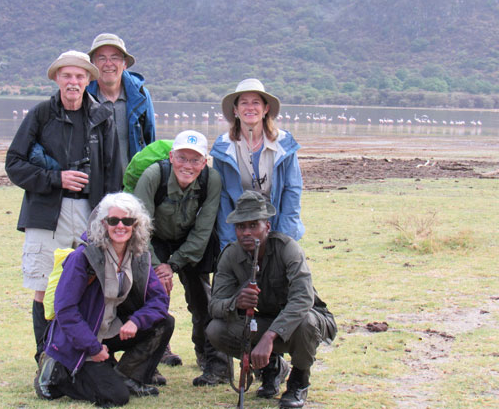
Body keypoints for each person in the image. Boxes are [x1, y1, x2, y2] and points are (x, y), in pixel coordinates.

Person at [5, 50, 123, 362]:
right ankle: (44, 356)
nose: (73, 82)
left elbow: (114, 174)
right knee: (44, 285)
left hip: (90, 213)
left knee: (88, 282)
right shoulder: (41, 114)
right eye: (67, 75)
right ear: (57, 78)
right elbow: (14, 163)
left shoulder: (102, 117)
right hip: (46, 214)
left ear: (88, 80)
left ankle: (81, 354)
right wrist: (56, 178)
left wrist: (110, 221)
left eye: (80, 76)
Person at [34, 192, 173, 407]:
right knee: (115, 397)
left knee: (164, 322)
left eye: (127, 221)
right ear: (103, 224)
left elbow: (160, 300)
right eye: (113, 220)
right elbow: (65, 310)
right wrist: (92, 348)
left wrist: (136, 321)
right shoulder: (82, 257)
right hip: (81, 337)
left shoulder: (137, 255)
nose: (120, 226)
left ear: (136, 225)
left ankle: (128, 376)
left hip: (110, 329)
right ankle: (56, 377)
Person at [206, 190, 337, 408]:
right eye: (240, 227)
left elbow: (303, 300)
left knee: (305, 323)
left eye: (253, 225)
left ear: (266, 226)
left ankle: (298, 382)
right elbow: (215, 305)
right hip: (262, 321)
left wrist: (269, 337)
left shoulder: (288, 249)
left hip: (303, 320)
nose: (246, 233)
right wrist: (236, 302)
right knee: (216, 330)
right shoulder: (230, 255)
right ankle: (271, 368)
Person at [133, 130, 229, 386]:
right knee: (150, 295)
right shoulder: (154, 175)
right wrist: (157, 267)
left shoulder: (212, 180)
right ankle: (150, 360)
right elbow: (140, 228)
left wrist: (175, 263)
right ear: (171, 156)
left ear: (204, 161)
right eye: (182, 158)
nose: (188, 165)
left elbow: (204, 228)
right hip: (153, 239)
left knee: (203, 299)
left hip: (190, 241)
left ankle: (212, 361)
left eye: (195, 160)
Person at [210, 78, 305, 249]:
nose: (250, 107)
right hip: (240, 225)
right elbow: (222, 198)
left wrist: (284, 238)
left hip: (275, 221)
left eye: (256, 102)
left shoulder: (284, 143)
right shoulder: (223, 147)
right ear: (235, 110)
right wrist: (230, 243)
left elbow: (292, 190)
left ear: (266, 109)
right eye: (244, 103)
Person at [86, 33, 156, 171]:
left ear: (124, 64)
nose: (108, 64)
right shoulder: (83, 96)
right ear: (93, 64)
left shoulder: (141, 95)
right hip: (94, 184)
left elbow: (150, 141)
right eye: (101, 58)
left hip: (131, 183)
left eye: (115, 57)